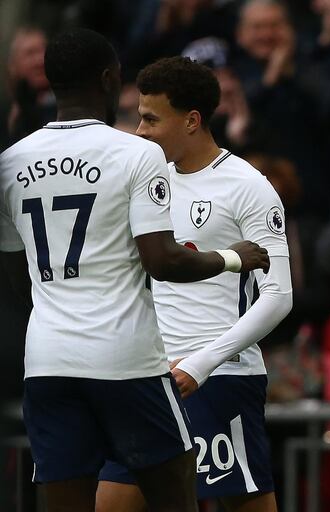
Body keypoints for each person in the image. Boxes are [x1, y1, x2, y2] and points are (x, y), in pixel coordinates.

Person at [0, 29, 270, 512]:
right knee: (173, 497)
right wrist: (235, 258)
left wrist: (55, 305)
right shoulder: (135, 154)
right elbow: (163, 261)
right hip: (126, 361)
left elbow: (14, 269)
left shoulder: (10, 162)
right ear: (109, 78)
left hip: (47, 360)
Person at [94, 56, 291, 512]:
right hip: (150, 378)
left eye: (150, 119)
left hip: (220, 378)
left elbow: (279, 296)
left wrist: (200, 365)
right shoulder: (147, 181)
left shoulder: (247, 185)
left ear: (192, 121)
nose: (139, 131)